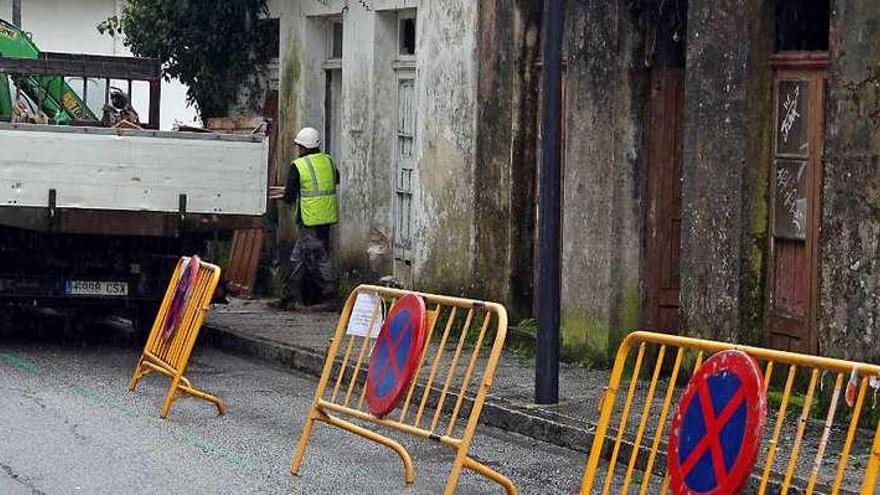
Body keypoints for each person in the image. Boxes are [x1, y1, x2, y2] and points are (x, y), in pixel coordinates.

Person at [269, 127, 339, 310]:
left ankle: (329, 295)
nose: (298, 149)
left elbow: (290, 196)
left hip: (309, 219)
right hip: (326, 217)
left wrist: (283, 195)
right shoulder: (328, 160)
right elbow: (335, 179)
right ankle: (290, 297)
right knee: (298, 257)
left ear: (303, 147)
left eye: (299, 146)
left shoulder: (298, 165)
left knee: (318, 257)